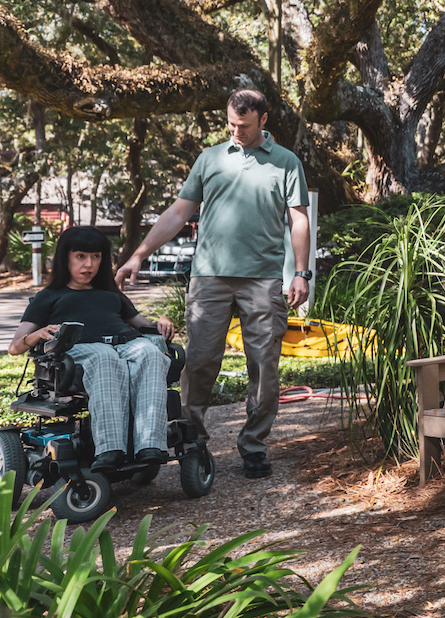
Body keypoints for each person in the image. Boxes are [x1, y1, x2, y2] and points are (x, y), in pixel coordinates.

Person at [116, 89, 310, 480]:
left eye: (245, 125)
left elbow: (299, 219)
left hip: (262, 279)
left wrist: (301, 272)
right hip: (209, 278)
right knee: (200, 362)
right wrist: (139, 254)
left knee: (264, 366)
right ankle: (194, 441)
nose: (237, 131)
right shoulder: (210, 159)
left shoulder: (286, 162)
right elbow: (178, 212)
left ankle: (254, 446)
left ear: (263, 120)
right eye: (232, 124)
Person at [9, 226, 177, 472]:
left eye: (95, 257)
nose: (88, 265)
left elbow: (143, 325)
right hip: (81, 349)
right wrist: (37, 334)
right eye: (80, 256)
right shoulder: (49, 296)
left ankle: (150, 445)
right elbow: (15, 347)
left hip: (125, 343)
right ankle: (110, 449)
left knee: (150, 353)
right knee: (104, 356)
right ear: (65, 258)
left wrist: (161, 321)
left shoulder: (110, 293)